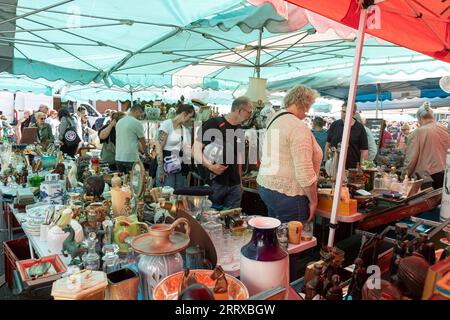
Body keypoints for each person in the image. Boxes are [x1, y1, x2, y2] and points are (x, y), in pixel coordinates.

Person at [256, 85, 322, 223]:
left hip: (266, 186)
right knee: (293, 241)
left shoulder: (274, 120)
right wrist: (313, 201)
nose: (308, 110)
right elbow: (304, 171)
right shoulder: (297, 127)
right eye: (310, 105)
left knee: (275, 234)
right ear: (305, 103)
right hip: (289, 194)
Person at [193, 96, 253, 209]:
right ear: (240, 110)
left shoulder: (239, 129)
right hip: (215, 183)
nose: (250, 116)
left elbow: (238, 157)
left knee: (232, 220)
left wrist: (239, 181)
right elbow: (195, 150)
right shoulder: (213, 124)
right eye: (249, 112)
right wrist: (210, 166)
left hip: (234, 185)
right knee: (211, 219)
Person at [403, 103, 450, 189]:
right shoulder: (444, 129)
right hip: (446, 173)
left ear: (419, 118)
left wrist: (404, 175)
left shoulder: (417, 132)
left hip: (428, 177)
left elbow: (411, 159)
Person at [156, 104, 195, 189]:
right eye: (190, 116)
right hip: (167, 165)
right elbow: (159, 147)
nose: (190, 120)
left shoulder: (185, 130)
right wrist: (161, 170)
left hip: (179, 167)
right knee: (167, 195)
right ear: (184, 114)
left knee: (179, 196)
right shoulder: (167, 124)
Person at [325, 103, 368, 169]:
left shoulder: (359, 128)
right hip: (334, 166)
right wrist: (326, 161)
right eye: (343, 111)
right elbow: (328, 144)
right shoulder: (335, 124)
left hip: (351, 168)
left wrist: (362, 168)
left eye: (347, 112)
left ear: (353, 114)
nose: (344, 114)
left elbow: (364, 151)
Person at [115, 104, 149, 173]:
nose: (141, 116)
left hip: (118, 157)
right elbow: (143, 142)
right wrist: (147, 155)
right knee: (135, 181)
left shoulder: (119, 122)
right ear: (137, 111)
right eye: (141, 113)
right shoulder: (137, 123)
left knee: (123, 181)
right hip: (131, 158)